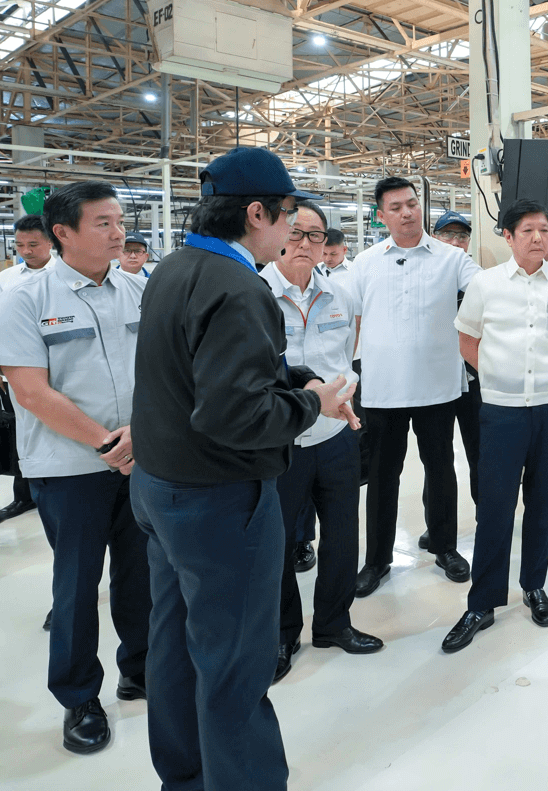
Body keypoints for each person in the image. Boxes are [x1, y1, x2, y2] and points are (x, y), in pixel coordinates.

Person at [130, 147, 358, 791]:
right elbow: (234, 417)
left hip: (160, 488)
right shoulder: (239, 288)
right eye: (288, 216)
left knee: (174, 645)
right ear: (255, 213)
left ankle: (186, 774)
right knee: (234, 663)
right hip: (218, 502)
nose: (293, 230)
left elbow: (203, 364)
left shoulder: (177, 268)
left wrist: (291, 375)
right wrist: (311, 401)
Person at [0, 182, 150, 755]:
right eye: (103, 223)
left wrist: (142, 439)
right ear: (62, 232)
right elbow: (32, 393)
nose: (118, 233)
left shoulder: (138, 291)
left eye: (119, 221)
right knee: (76, 586)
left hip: (138, 463)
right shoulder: (24, 299)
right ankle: (79, 696)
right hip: (69, 469)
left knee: (141, 577)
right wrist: (110, 443)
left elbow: (160, 372)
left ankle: (140, 668)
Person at [444, 200, 548, 653]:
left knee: (542, 501)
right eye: (527, 230)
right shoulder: (486, 284)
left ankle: (534, 586)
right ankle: (482, 603)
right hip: (501, 409)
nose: (538, 238)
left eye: (543, 230)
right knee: (495, 505)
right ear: (507, 237)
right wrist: (497, 377)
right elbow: (467, 338)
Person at [261, 202, 382, 683]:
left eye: (316, 236)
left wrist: (344, 396)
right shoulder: (256, 294)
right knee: (276, 544)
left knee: (341, 535)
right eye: (297, 234)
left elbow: (348, 355)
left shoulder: (341, 293)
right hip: (280, 442)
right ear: (279, 235)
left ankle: (334, 624)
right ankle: (282, 633)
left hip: (335, 436)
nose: (306, 245)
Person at [349, 177, 481, 597]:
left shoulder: (451, 258)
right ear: (382, 215)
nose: (406, 213)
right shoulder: (365, 263)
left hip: (438, 387)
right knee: (383, 476)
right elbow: (347, 318)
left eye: (412, 204)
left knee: (441, 469)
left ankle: (444, 547)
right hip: (383, 389)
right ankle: (377, 560)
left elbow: (488, 290)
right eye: (396, 207)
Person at [0, 214, 52, 522]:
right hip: (17, 370)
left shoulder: (63, 275)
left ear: (51, 242)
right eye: (20, 245)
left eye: (33, 244)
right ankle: (24, 496)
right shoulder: (7, 279)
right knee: (22, 432)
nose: (26, 251)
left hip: (56, 369)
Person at [432, 209, 480, 524]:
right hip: (436, 382)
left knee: (481, 455)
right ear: (435, 238)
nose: (455, 241)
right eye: (448, 234)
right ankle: (438, 528)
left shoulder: (477, 281)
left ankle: (487, 517)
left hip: (474, 381)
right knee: (437, 460)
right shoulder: (428, 281)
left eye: (462, 235)